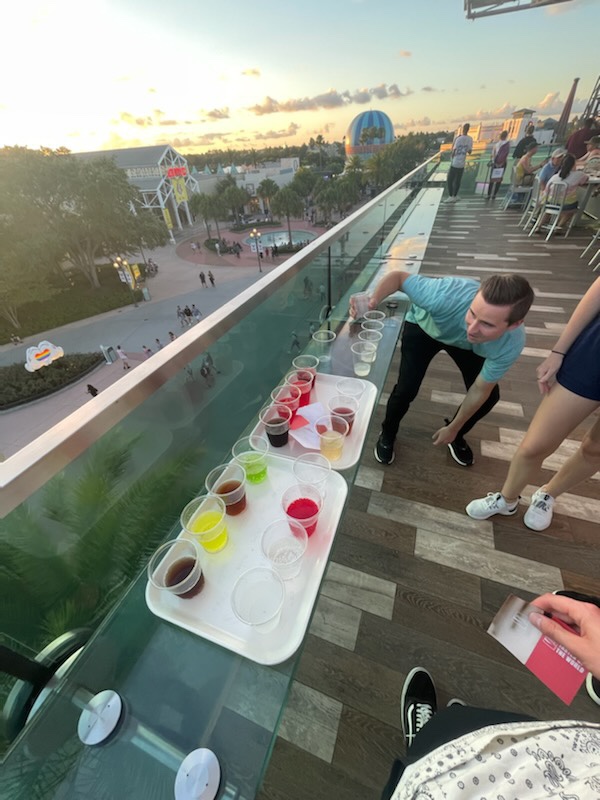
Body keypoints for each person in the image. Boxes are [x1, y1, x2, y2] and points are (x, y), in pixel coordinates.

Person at [382, 593, 600, 800]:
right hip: (565, 754)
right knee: (466, 724)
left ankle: (420, 750)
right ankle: (440, 740)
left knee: (439, 733)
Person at [358, 272, 534, 467]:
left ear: (514, 325)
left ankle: (455, 435)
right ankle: (388, 432)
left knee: (489, 398)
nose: (472, 328)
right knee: (406, 390)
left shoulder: (511, 344)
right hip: (424, 329)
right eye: (472, 313)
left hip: (470, 346)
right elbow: (398, 278)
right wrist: (372, 302)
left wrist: (454, 428)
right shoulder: (442, 295)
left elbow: (479, 389)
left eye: (487, 324)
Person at [466, 277, 600, 531]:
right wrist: (559, 351)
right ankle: (507, 499)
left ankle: (548, 494)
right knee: (534, 446)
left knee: (595, 450)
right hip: (594, 354)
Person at [538, 153, 589, 231]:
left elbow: (547, 189)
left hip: (550, 203)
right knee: (573, 209)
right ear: (574, 164)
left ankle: (539, 226)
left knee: (549, 209)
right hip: (566, 205)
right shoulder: (579, 175)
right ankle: (559, 226)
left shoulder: (555, 176)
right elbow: (585, 179)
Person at [445, 123, 473, 202]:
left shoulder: (458, 138)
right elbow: (470, 151)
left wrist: (452, 158)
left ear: (463, 129)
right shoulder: (470, 139)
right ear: (468, 129)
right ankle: (455, 195)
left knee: (450, 180)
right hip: (462, 163)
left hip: (455, 162)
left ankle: (451, 196)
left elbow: (454, 150)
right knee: (458, 180)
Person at [486, 130, 510, 200]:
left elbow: (493, 155)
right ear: (506, 136)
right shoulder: (507, 145)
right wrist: (501, 163)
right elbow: (506, 155)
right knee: (499, 180)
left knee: (492, 179)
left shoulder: (496, 145)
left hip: (495, 163)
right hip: (503, 164)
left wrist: (494, 162)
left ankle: (489, 194)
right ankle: (494, 195)